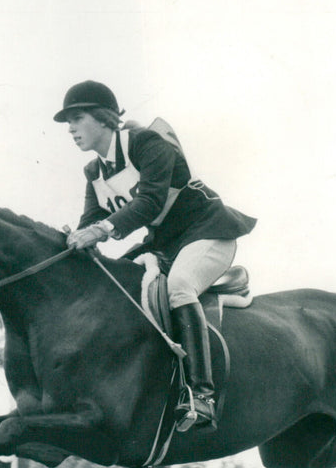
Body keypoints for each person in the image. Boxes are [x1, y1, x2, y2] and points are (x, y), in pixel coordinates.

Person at [55, 80, 256, 431]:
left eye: (77, 117)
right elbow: (91, 221)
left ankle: (202, 394)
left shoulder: (148, 144)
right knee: (120, 286)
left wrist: (99, 231)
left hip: (207, 231)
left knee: (179, 285)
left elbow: (147, 203)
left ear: (103, 119)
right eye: (68, 122)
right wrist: (69, 240)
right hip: (165, 245)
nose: (70, 129)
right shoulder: (94, 172)